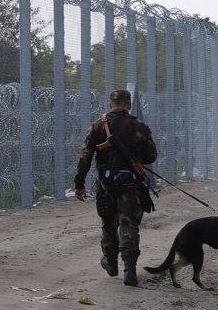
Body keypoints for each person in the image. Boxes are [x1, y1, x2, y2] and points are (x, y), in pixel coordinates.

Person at [74, 90, 158, 287]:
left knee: (109, 223)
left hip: (107, 185)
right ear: (128, 105)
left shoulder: (98, 126)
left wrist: (79, 184)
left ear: (111, 104)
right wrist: (135, 159)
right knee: (129, 225)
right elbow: (152, 155)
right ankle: (130, 270)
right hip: (131, 185)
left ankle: (111, 263)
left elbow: (85, 156)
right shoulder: (139, 126)